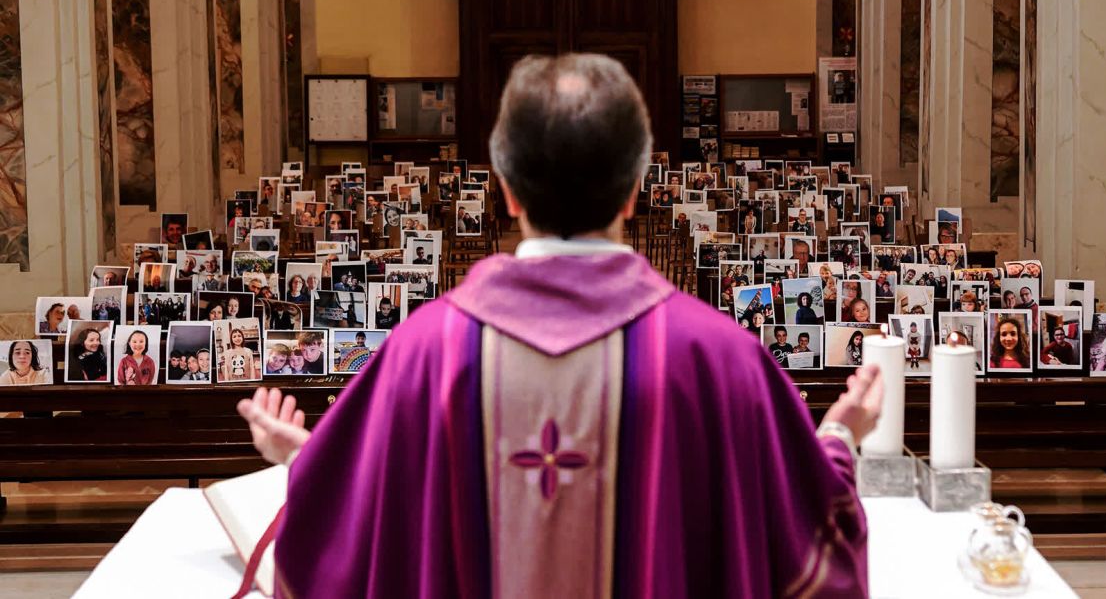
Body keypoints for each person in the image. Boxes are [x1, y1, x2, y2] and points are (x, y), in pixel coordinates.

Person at [237, 53, 879, 597]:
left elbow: (349, 533)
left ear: (508, 191)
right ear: (635, 189)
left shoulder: (421, 353)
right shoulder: (720, 358)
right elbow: (810, 548)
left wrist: (303, 459)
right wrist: (841, 437)